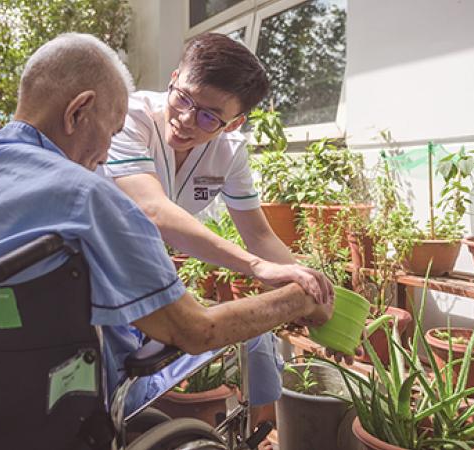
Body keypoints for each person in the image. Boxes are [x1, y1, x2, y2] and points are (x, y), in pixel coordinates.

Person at [0, 33, 333, 421]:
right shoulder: (92, 199)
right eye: (111, 131)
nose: (106, 156)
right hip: (78, 409)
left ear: (231, 123)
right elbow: (197, 331)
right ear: (78, 112)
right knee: (248, 345)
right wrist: (299, 300)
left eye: (208, 117)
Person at [99, 32, 335, 420]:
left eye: (209, 116)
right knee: (116, 397)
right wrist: (257, 267)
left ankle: (258, 430)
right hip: (97, 273)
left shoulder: (229, 151)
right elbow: (154, 210)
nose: (186, 120)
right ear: (174, 78)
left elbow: (259, 235)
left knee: (257, 341)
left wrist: (312, 288)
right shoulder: (129, 118)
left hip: (145, 274)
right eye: (183, 98)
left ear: (233, 123)